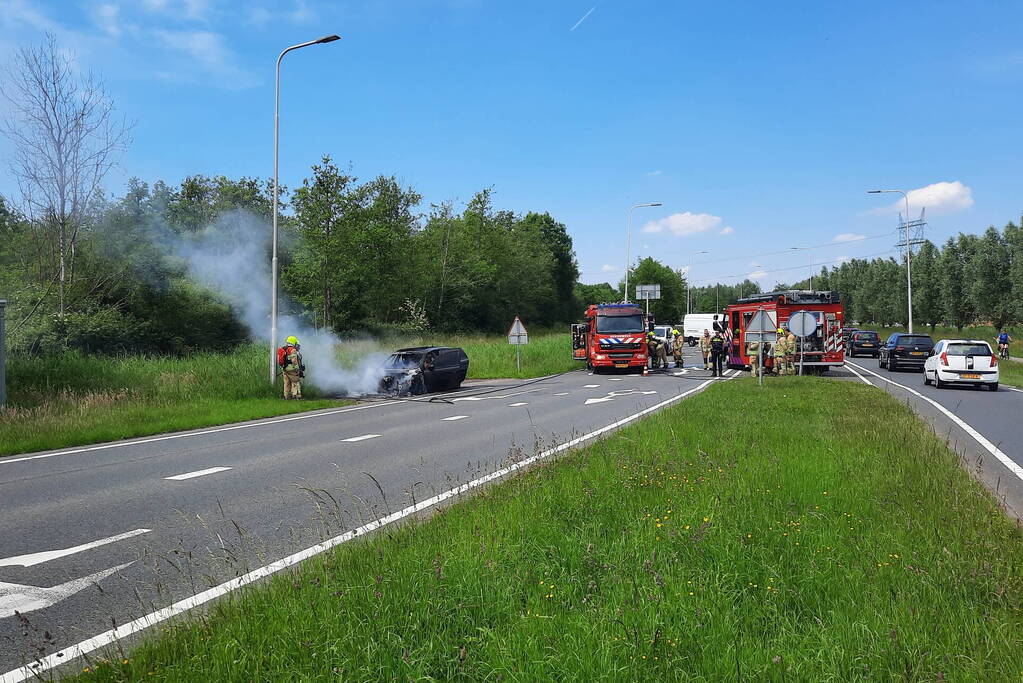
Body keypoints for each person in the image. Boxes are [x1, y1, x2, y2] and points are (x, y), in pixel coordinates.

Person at [277, 335, 305, 399]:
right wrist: (298, 370)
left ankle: (287, 396)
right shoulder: (293, 350)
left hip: (284, 369)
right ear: (293, 342)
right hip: (292, 369)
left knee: (286, 383)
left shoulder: (284, 348)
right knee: (296, 382)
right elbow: (294, 361)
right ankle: (296, 396)